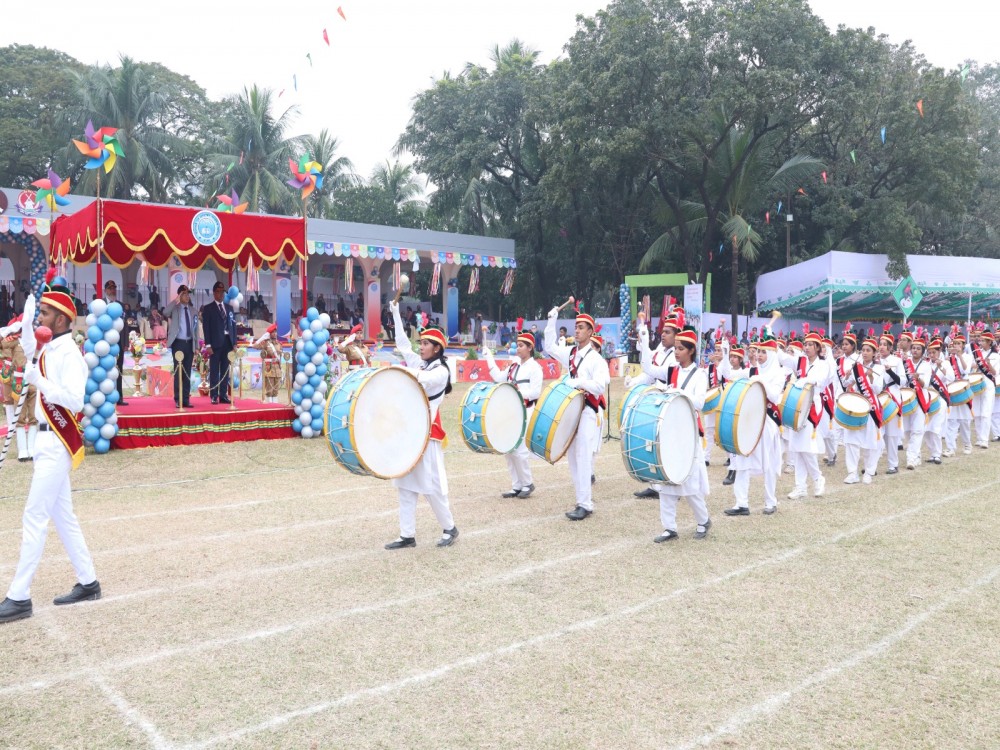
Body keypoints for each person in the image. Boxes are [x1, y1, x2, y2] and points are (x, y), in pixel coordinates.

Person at [0, 278, 99, 624]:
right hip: (44, 440)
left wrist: (37, 380)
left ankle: (19, 595)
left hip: (57, 441)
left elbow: (73, 400)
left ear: (61, 319)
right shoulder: (49, 347)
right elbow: (29, 346)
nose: (41, 318)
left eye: (44, 314)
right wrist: (25, 320)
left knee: (34, 516)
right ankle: (88, 581)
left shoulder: (70, 354)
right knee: (62, 517)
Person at [384, 300, 459, 549]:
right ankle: (407, 535)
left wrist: (399, 368)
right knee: (405, 484)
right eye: (422, 342)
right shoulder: (423, 364)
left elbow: (422, 378)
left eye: (426, 343)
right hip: (412, 434)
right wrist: (395, 313)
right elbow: (404, 345)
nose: (421, 346)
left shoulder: (441, 372)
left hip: (430, 436)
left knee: (432, 487)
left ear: (437, 348)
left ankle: (450, 527)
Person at [544, 302, 610, 521]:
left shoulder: (596, 359)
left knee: (582, 456)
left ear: (591, 332)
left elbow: (600, 386)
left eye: (582, 327)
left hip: (589, 411)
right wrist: (551, 320)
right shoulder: (571, 353)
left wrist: (579, 382)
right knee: (572, 456)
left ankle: (586, 504)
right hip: (572, 410)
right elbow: (550, 347)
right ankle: (581, 500)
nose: (577, 330)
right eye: (577, 326)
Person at [650, 326, 712, 541]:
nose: (676, 352)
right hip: (671, 428)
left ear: (691, 351)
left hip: (689, 430)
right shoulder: (671, 371)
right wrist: (642, 339)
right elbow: (647, 368)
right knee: (666, 477)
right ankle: (669, 528)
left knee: (689, 480)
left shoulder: (700, 374)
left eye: (680, 348)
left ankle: (703, 520)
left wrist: (679, 392)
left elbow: (700, 402)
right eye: (675, 348)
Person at [716, 334, 784, 515]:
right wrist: (725, 352)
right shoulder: (753, 371)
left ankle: (771, 502)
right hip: (751, 421)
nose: (758, 355)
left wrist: (760, 380)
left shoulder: (778, 373)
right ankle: (741, 504)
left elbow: (775, 397)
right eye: (758, 352)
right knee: (742, 459)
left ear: (771, 354)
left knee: (768, 463)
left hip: (768, 422)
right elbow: (727, 374)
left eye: (763, 352)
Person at [484, 317, 543, 498]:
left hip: (526, 411)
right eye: (517, 345)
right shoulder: (513, 367)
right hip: (511, 411)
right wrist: (488, 357)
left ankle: (527, 483)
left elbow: (535, 392)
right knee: (508, 448)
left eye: (521, 345)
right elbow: (498, 377)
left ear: (530, 347)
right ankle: (516, 485)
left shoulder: (535, 368)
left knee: (520, 450)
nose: (517, 348)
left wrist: (517, 392)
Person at [778, 331, 829, 499]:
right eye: (805, 344)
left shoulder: (823, 364)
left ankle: (817, 478)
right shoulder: (799, 360)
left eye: (810, 345)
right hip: (796, 406)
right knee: (797, 449)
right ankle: (800, 487)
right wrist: (771, 340)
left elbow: (818, 380)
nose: (806, 347)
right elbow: (782, 358)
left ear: (817, 348)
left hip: (812, 408)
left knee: (806, 448)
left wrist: (806, 380)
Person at [841, 335, 885, 485]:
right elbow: (847, 383)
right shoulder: (857, 367)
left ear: (874, 353)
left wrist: (871, 378)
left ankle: (869, 471)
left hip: (871, 406)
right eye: (863, 350)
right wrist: (846, 376)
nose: (865, 353)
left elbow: (878, 389)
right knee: (851, 440)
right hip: (857, 405)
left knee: (870, 441)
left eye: (868, 350)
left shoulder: (879, 368)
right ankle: (852, 473)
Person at [1, 315, 39, 460]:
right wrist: (9, 330)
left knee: (34, 416)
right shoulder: (13, 341)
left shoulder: (37, 341)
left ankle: (32, 449)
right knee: (20, 416)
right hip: (19, 381)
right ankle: (23, 450)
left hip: (35, 381)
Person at [201, 281, 237, 404]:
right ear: (214, 293)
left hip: (228, 342)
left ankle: (223, 395)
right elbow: (206, 328)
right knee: (215, 370)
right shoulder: (208, 308)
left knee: (225, 370)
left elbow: (233, 326)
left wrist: (235, 343)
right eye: (218, 292)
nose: (221, 294)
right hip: (215, 344)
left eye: (222, 292)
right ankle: (214, 395)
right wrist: (208, 345)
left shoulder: (229, 308)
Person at [878, 327, 906, 474]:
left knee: (891, 434)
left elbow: (902, 381)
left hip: (892, 397)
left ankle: (893, 464)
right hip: (878, 398)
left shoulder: (897, 360)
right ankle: (872, 466)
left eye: (884, 344)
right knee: (876, 433)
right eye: (880, 344)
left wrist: (890, 371)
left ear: (890, 347)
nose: (881, 347)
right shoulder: (874, 360)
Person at [165, 285, 197, 408]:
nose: (187, 296)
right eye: (184, 294)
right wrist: (176, 300)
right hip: (178, 343)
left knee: (187, 372)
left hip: (189, 343)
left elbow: (195, 329)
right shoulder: (175, 308)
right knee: (179, 371)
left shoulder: (193, 310)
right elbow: (165, 312)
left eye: (188, 294)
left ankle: (186, 399)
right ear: (179, 295)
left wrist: (196, 346)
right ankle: (178, 398)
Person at [103, 280, 131, 406]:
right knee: (104, 370)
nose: (112, 291)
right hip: (104, 343)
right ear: (105, 291)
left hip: (118, 343)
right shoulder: (101, 305)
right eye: (109, 288)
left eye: (114, 288)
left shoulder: (120, 306)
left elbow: (125, 326)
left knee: (119, 370)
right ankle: (104, 397)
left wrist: (125, 343)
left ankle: (119, 397)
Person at [256, 323, 283, 403]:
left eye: (276, 332)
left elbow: (281, 355)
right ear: (269, 334)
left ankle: (275, 403)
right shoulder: (266, 343)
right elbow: (255, 346)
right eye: (273, 332)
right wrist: (262, 339)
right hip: (269, 368)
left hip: (277, 368)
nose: (275, 334)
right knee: (269, 388)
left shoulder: (279, 344)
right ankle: (269, 403)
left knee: (276, 387)